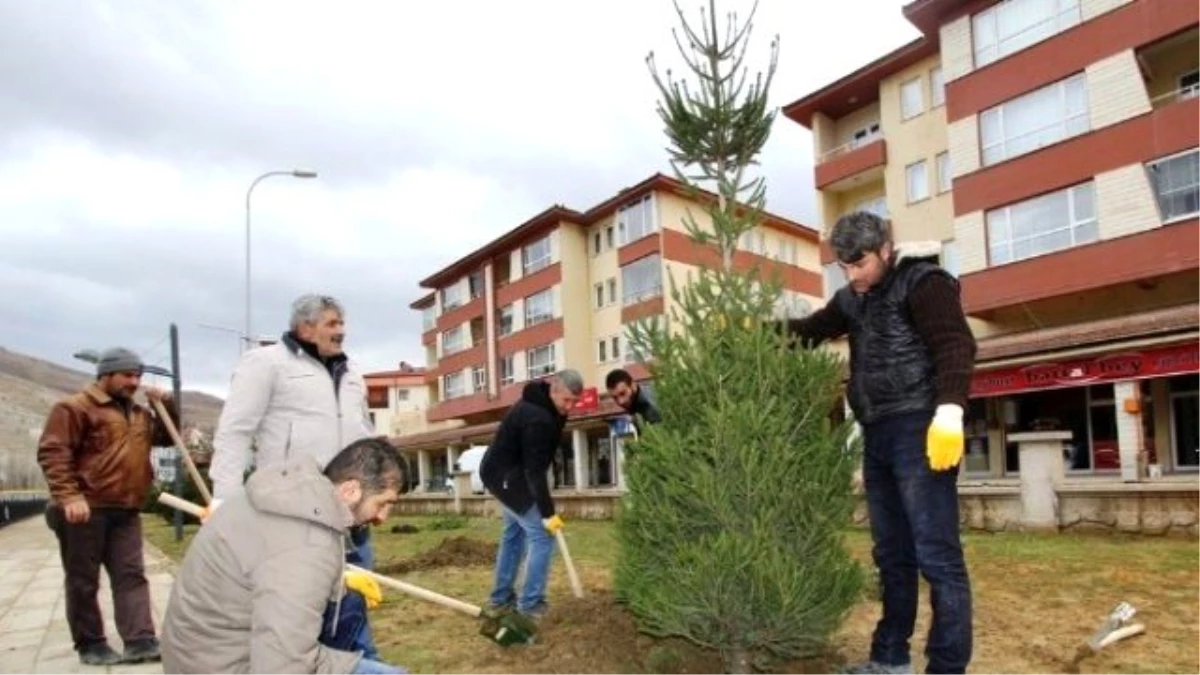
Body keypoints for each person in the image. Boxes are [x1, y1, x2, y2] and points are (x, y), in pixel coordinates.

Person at [781, 212, 976, 675]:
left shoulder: (924, 283)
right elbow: (809, 331)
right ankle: (890, 660)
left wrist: (950, 410)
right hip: (876, 434)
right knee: (892, 555)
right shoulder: (852, 299)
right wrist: (753, 334)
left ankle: (946, 669)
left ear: (886, 249)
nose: (853, 276)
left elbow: (955, 345)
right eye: (844, 267)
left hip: (921, 430)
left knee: (937, 556)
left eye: (860, 264)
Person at [207, 293, 382, 658]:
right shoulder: (265, 364)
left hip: (347, 512)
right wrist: (223, 497)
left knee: (352, 603)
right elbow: (235, 431)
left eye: (342, 323)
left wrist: (375, 491)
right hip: (294, 513)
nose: (341, 331)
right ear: (305, 326)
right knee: (302, 609)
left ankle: (355, 658)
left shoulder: (351, 374)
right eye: (332, 323)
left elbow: (363, 433)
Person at [161, 438, 409, 675]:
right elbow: (280, 666)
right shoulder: (308, 545)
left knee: (350, 602)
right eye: (382, 503)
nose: (382, 518)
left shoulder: (289, 498)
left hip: (206, 654)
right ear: (351, 490)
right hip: (231, 665)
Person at [37, 347, 177, 665]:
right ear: (105, 375)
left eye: (138, 376)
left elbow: (169, 438)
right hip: (85, 507)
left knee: (131, 575)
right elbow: (53, 452)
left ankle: (140, 639)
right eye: (128, 375)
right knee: (83, 579)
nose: (135, 382)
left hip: (126, 508)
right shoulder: (73, 408)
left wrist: (166, 405)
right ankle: (90, 643)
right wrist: (69, 495)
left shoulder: (140, 413)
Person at [480, 370, 583, 620]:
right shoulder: (538, 418)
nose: (569, 407)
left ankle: (501, 599)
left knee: (513, 534)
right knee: (542, 536)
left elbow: (538, 462)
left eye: (574, 402)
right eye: (566, 400)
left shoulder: (548, 408)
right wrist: (548, 514)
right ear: (553, 390)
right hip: (509, 479)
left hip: (500, 474)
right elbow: (534, 472)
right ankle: (530, 604)